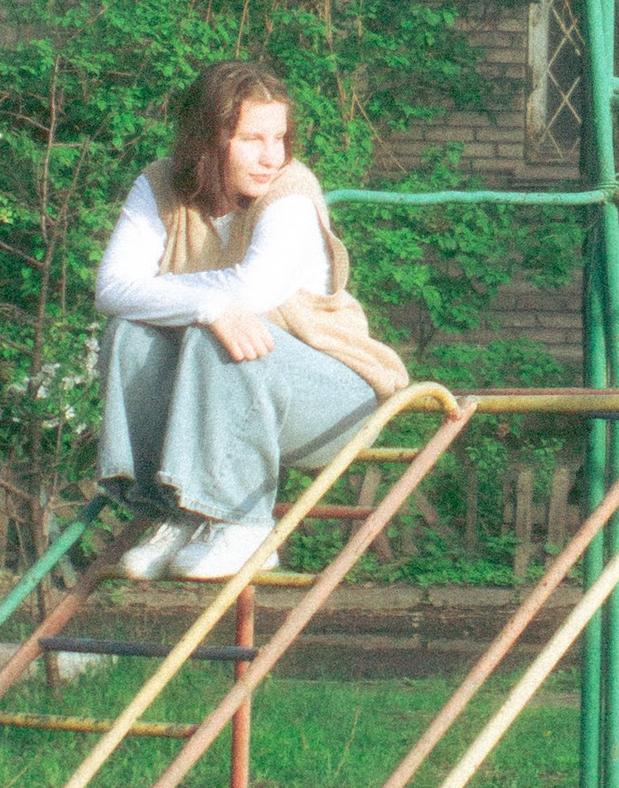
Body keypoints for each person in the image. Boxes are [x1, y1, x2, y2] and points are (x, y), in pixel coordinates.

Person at [94, 58, 409, 581]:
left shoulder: (292, 193)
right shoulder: (160, 187)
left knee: (221, 333)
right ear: (208, 141)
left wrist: (199, 305)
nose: (272, 157)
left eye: (280, 138)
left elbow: (252, 292)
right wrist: (207, 305)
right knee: (130, 334)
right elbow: (111, 289)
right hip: (221, 405)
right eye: (252, 140)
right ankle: (176, 511)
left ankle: (243, 523)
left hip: (335, 394)